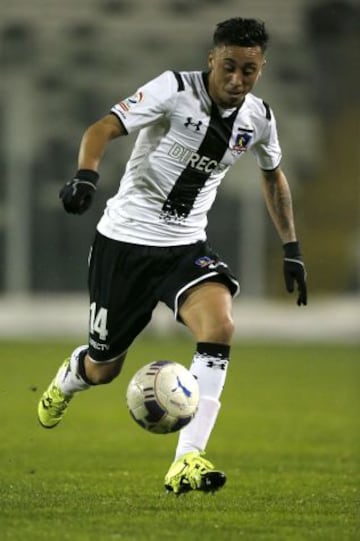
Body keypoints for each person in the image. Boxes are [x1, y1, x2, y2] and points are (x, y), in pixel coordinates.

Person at [38, 17, 307, 494]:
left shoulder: (259, 119)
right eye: (229, 67)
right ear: (211, 60)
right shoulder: (173, 89)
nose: (237, 80)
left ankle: (188, 459)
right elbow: (103, 127)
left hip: (185, 247)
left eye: (249, 70)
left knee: (220, 326)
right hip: (125, 243)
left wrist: (291, 245)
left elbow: (273, 175)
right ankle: (70, 376)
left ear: (261, 68)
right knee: (104, 369)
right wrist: (86, 175)